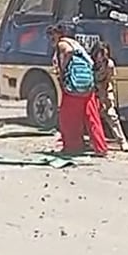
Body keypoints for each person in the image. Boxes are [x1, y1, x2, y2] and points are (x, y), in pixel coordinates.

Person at [48, 23, 108, 156]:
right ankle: (101, 148)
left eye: (52, 34)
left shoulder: (62, 44)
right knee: (92, 118)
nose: (51, 38)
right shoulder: (76, 44)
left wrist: (63, 70)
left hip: (73, 88)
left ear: (59, 34)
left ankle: (73, 147)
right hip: (87, 86)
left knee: (68, 119)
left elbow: (67, 52)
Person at [91, 41, 128, 152]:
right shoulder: (89, 63)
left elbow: (107, 82)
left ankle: (122, 141)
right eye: (99, 54)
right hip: (91, 91)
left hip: (104, 90)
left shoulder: (109, 64)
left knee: (111, 115)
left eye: (104, 54)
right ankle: (93, 141)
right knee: (91, 118)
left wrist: (104, 99)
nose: (101, 57)